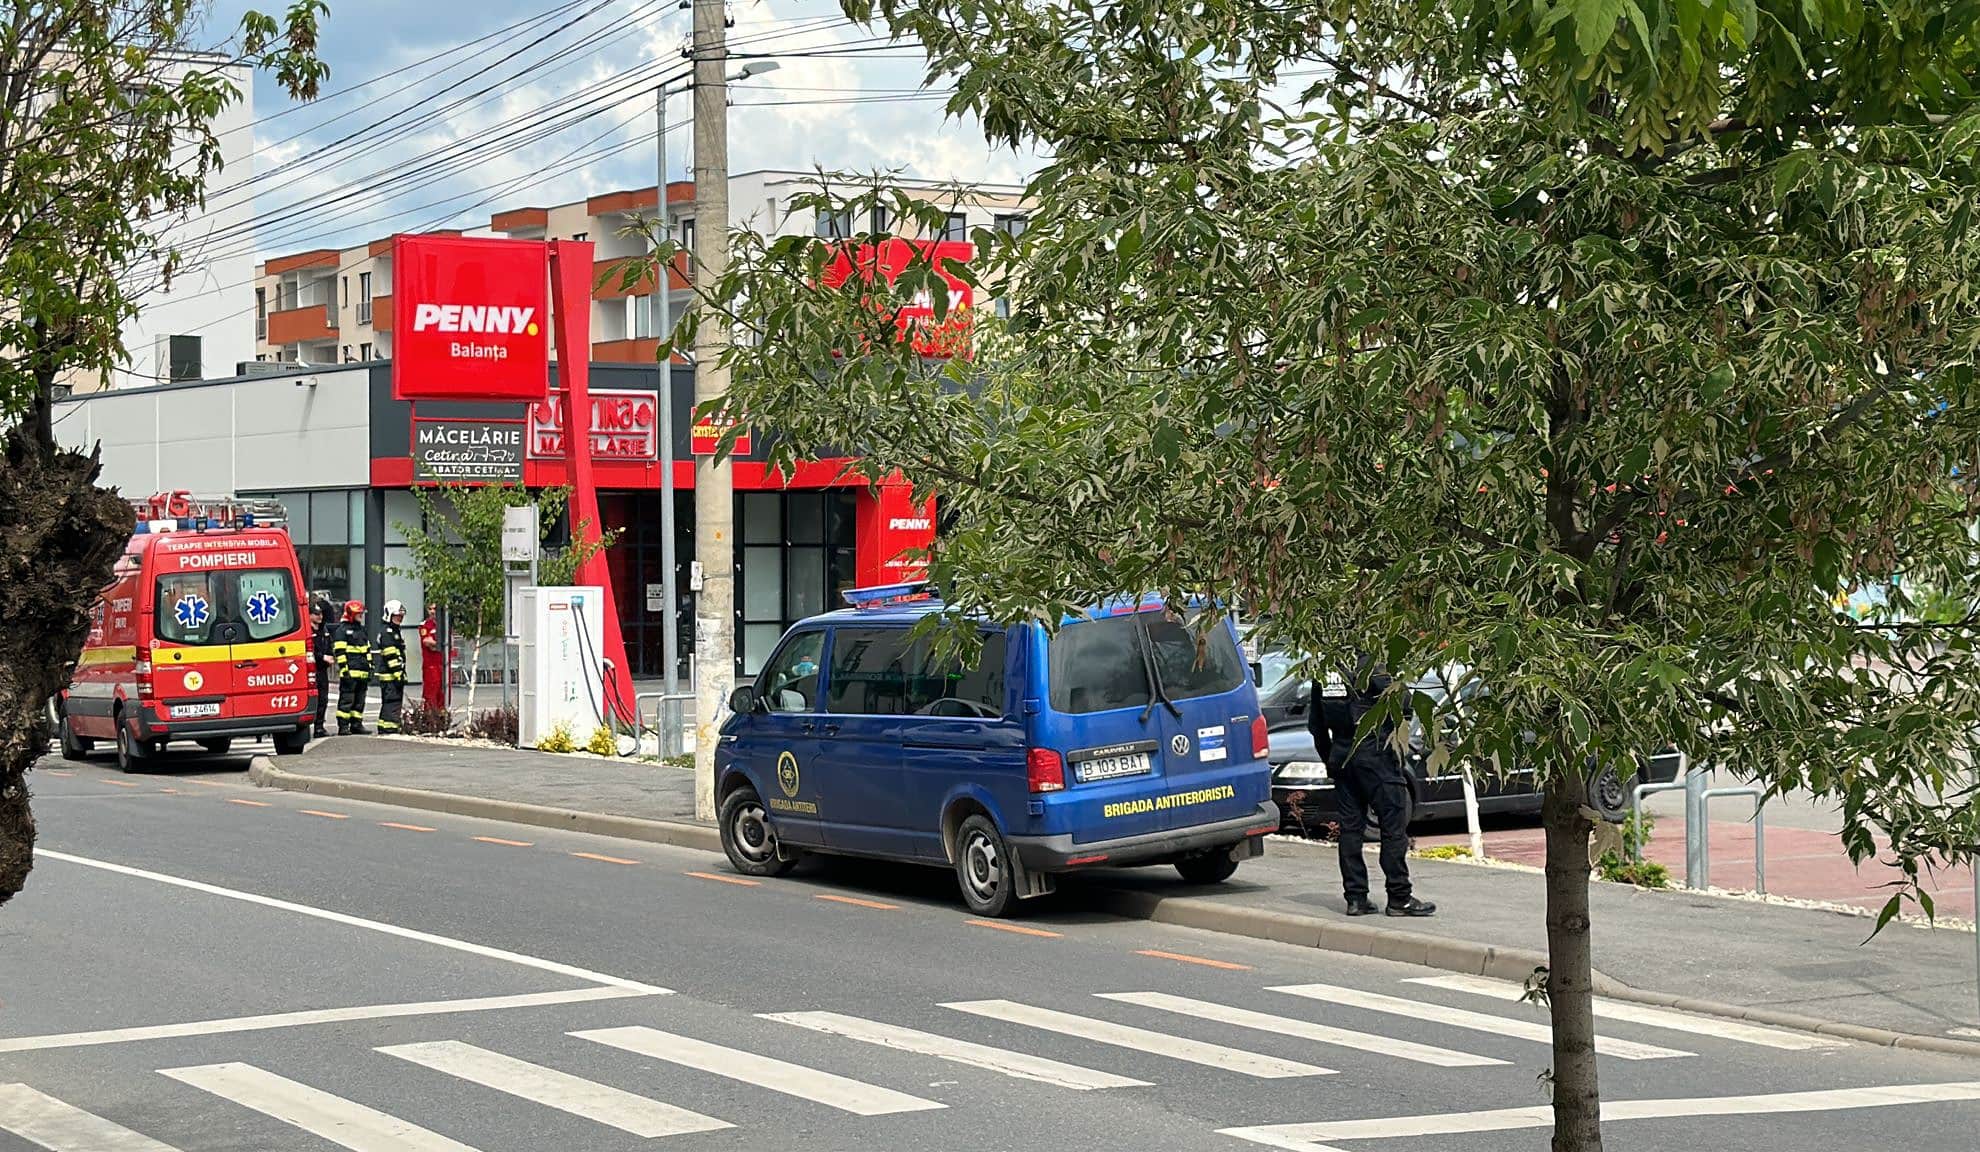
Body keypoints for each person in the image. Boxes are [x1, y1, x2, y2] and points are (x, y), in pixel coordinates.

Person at [1320, 658, 1435, 917]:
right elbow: (1403, 707)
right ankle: (1399, 898)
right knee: (1393, 829)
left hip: (1342, 758)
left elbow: (1316, 725)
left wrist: (1331, 759)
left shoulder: (1328, 669)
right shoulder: (1378, 665)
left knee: (1351, 830)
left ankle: (1356, 898)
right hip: (1378, 757)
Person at [333, 600, 371, 735]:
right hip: (350, 672)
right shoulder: (342, 630)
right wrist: (344, 670)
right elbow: (340, 652)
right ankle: (343, 727)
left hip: (362, 672)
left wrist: (370, 667)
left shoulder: (361, 629)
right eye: (358, 614)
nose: (361, 616)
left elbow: (367, 650)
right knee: (346, 701)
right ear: (351, 614)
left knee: (359, 701)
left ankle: (357, 724)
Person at [375, 600, 408, 734]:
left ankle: (386, 725)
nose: (399, 618)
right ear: (389, 615)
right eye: (397, 616)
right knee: (391, 701)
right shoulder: (387, 633)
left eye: (401, 616)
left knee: (392, 701)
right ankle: (389, 728)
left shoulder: (393, 631)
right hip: (390, 675)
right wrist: (398, 674)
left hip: (393, 674)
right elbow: (391, 656)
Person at [309, 598, 335, 738]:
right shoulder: (308, 631)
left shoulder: (324, 630)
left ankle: (319, 727)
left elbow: (329, 645)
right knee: (313, 698)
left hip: (322, 670)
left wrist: (330, 656)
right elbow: (309, 649)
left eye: (321, 614)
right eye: (316, 614)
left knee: (323, 698)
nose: (320, 617)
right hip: (312, 669)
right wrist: (322, 657)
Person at [419, 607, 445, 711]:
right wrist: (441, 644)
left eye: (435, 608)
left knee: (443, 694)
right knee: (431, 694)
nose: (433, 611)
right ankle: (430, 720)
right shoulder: (425, 625)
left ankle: (442, 720)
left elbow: (449, 642)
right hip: (431, 666)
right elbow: (427, 642)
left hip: (443, 664)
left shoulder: (444, 625)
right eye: (430, 609)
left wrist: (437, 644)